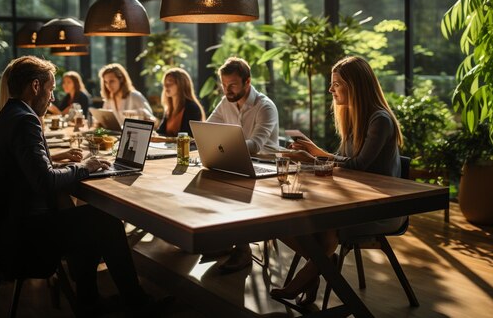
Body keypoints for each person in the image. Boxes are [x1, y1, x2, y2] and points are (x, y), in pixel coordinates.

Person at [0, 56, 160, 315]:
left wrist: (69, 165)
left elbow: (31, 170)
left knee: (87, 218)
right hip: (24, 238)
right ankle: (136, 304)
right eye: (51, 89)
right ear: (35, 86)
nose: (53, 97)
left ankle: (91, 302)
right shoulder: (25, 120)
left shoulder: (9, 115)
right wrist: (84, 167)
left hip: (8, 230)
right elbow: (46, 181)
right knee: (104, 221)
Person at [270, 56, 405, 306]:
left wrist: (314, 154)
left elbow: (356, 165)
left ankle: (306, 276)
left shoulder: (380, 120)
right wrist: (313, 154)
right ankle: (322, 262)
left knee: (326, 224)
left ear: (355, 86)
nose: (331, 89)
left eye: (337, 84)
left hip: (381, 208)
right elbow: (345, 163)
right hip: (354, 199)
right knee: (283, 220)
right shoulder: (355, 118)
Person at [206, 57, 280, 273]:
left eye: (232, 85)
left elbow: (256, 146)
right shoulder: (225, 102)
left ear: (247, 82)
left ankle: (242, 249)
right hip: (238, 163)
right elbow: (208, 129)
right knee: (207, 179)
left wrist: (223, 145)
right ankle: (226, 241)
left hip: (266, 170)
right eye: (224, 84)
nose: (227, 90)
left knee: (230, 185)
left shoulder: (265, 107)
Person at [157, 67, 205, 137]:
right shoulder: (169, 109)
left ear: (182, 84)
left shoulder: (192, 108)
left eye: (170, 82)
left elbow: (187, 137)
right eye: (164, 83)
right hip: (170, 147)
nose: (166, 86)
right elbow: (161, 132)